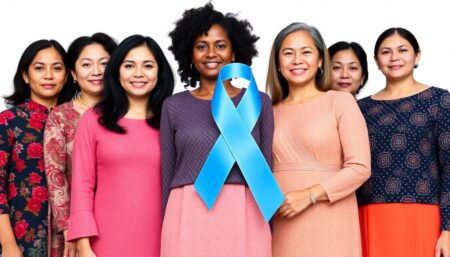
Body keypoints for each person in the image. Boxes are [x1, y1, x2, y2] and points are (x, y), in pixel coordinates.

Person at [161, 3, 273, 257]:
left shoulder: (258, 102)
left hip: (245, 211)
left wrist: (269, 224)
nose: (211, 53)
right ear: (190, 53)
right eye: (201, 46)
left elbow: (267, 167)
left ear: (234, 52)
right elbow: (166, 175)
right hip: (187, 212)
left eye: (220, 45)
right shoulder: (173, 106)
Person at [266, 22, 371, 257]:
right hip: (280, 219)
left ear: (321, 60)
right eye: (288, 53)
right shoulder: (267, 110)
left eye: (306, 52)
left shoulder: (340, 102)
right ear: (278, 63)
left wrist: (309, 195)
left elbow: (360, 167)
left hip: (330, 218)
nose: (297, 60)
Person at [66, 35, 174, 257]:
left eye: (148, 65)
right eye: (129, 65)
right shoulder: (93, 119)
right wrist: (84, 245)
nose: (138, 74)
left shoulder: (172, 121)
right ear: (117, 71)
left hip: (165, 240)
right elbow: (82, 185)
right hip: (104, 242)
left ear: (159, 72)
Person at [356, 27, 450, 257]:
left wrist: (448, 229)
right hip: (369, 213)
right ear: (377, 61)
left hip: (423, 213)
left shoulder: (439, 100)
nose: (394, 57)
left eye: (402, 50)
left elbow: (449, 166)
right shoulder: (361, 108)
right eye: (386, 52)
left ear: (417, 55)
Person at [44, 33, 116, 257]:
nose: (96, 71)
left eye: (104, 63)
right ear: (74, 73)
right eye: (86, 64)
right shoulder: (60, 116)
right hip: (74, 230)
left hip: (119, 217)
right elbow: (55, 177)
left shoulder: (130, 114)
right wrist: (71, 232)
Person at [0, 39, 75, 257]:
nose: (49, 75)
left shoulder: (79, 120)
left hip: (73, 238)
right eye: (39, 68)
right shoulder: (10, 121)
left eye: (57, 68)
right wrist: (8, 246)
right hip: (23, 239)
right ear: (25, 75)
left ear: (68, 74)